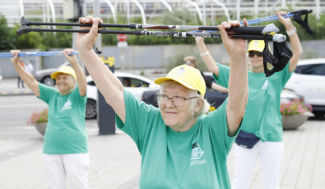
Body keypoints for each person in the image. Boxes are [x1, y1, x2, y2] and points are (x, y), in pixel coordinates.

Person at [76, 16, 248, 188]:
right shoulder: (150, 123)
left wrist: (238, 58)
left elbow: (236, 104)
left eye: (178, 97)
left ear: (197, 104)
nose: (168, 103)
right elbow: (116, 93)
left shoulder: (211, 129)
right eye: (164, 95)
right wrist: (85, 50)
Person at [195, 11, 303, 189]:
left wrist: (289, 26)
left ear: (266, 54)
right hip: (245, 138)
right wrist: (201, 44)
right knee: (239, 183)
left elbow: (297, 53)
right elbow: (212, 67)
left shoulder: (276, 75)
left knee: (271, 184)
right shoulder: (237, 74)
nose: (255, 57)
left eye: (259, 53)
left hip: (271, 138)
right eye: (251, 53)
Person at [10, 49, 90, 189]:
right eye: (58, 78)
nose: (60, 80)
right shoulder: (52, 95)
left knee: (80, 186)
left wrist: (74, 62)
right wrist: (16, 64)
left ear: (73, 82)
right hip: (51, 150)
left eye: (65, 77)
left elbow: (83, 83)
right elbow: (32, 82)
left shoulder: (77, 96)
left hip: (75, 149)